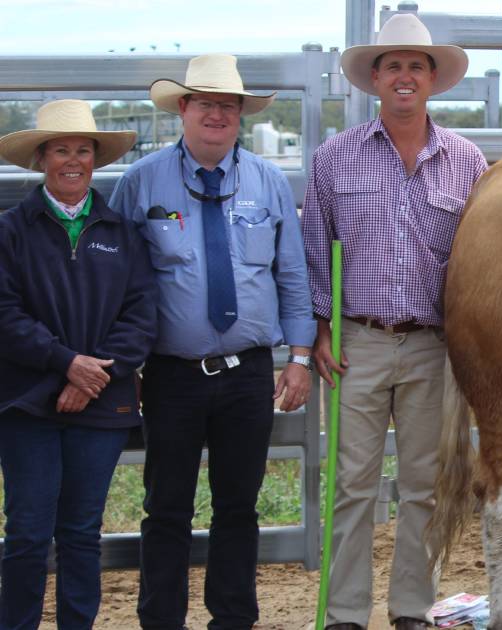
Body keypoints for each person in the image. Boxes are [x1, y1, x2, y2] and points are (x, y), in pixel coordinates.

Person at [108, 54, 316, 630]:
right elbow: (118, 283)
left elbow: (293, 278)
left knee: (238, 508)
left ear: (241, 115)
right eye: (206, 103)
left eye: (229, 105)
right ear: (183, 108)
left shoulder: (269, 182)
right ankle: (161, 621)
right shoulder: (140, 182)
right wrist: (127, 364)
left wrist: (298, 359)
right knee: (165, 507)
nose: (218, 115)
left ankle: (232, 619)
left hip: (248, 371)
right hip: (169, 374)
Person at [301, 14, 487, 630]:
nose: (404, 76)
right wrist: (322, 329)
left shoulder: (466, 160)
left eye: (416, 65)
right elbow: (312, 248)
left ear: (432, 79)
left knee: (425, 486)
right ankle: (346, 614)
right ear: (374, 79)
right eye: (392, 66)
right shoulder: (335, 157)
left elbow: (480, 256)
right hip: (358, 340)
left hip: (434, 344)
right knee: (352, 485)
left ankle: (412, 609)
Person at [0, 99, 156, 630]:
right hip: (26, 402)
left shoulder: (122, 232)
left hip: (101, 401)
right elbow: (4, 313)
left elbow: (140, 315)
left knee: (82, 529)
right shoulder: (10, 231)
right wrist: (65, 364)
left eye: (83, 150)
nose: (73, 160)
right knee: (27, 528)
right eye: (61, 149)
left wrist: (94, 377)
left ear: (97, 159)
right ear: (42, 158)